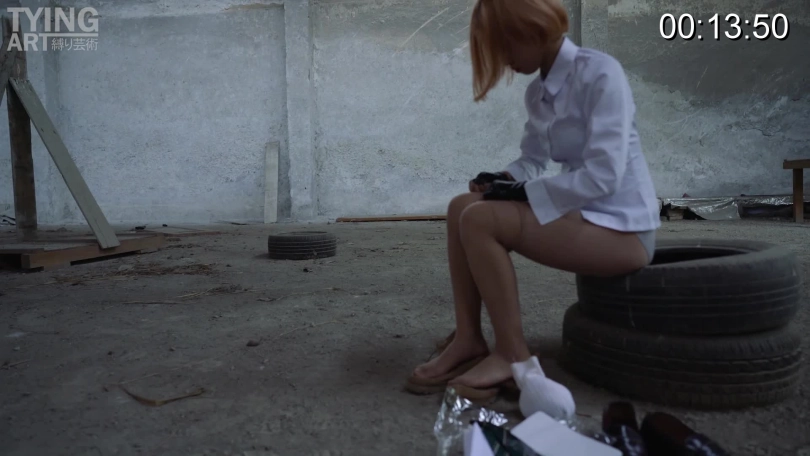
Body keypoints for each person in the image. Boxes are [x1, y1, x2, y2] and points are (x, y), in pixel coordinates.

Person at [404, 0, 661, 401]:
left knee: (480, 221)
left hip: (623, 231)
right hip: (583, 216)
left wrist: (523, 193)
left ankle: (512, 355)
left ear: (531, 30)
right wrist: (502, 179)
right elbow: (532, 161)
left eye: (502, 46)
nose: (501, 60)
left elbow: (605, 175)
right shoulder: (538, 93)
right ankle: (469, 338)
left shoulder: (600, 73)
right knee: (461, 207)